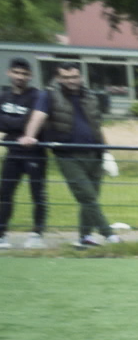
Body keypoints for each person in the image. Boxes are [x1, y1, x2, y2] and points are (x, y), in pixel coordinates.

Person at [33, 63, 115, 248]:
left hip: (94, 153)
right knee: (87, 196)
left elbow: (96, 126)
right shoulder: (49, 96)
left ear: (81, 76)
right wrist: (29, 135)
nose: (71, 81)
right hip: (68, 155)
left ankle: (85, 237)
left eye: (75, 77)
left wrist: (106, 152)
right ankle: (109, 235)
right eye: (66, 77)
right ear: (59, 78)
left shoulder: (90, 96)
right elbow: (38, 116)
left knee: (91, 196)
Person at [0, 58, 50, 250]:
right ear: (9, 73)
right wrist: (17, 124)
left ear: (30, 76)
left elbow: (30, 122)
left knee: (37, 194)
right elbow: (8, 123)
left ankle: (37, 233)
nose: (20, 77)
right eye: (17, 73)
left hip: (34, 153)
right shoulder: (3, 97)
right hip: (12, 152)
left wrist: (12, 123)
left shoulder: (37, 96)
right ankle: (2, 233)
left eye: (24, 74)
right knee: (5, 194)